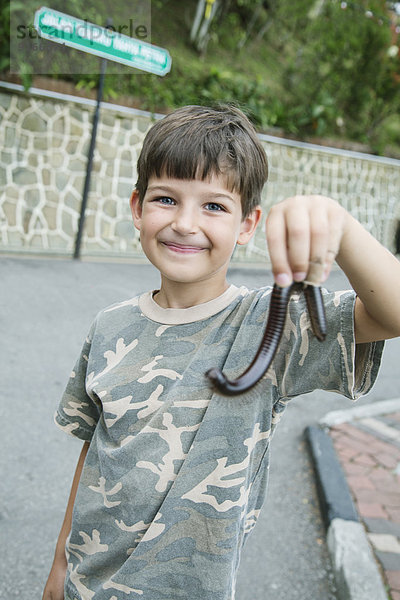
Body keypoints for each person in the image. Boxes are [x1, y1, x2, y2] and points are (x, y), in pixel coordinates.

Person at [43, 105, 400, 600]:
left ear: (247, 224)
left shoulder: (271, 329)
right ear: (136, 208)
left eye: (213, 206)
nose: (185, 224)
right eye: (166, 199)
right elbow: (94, 450)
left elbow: (394, 312)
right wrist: (60, 564)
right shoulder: (109, 326)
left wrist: (339, 226)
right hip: (87, 586)